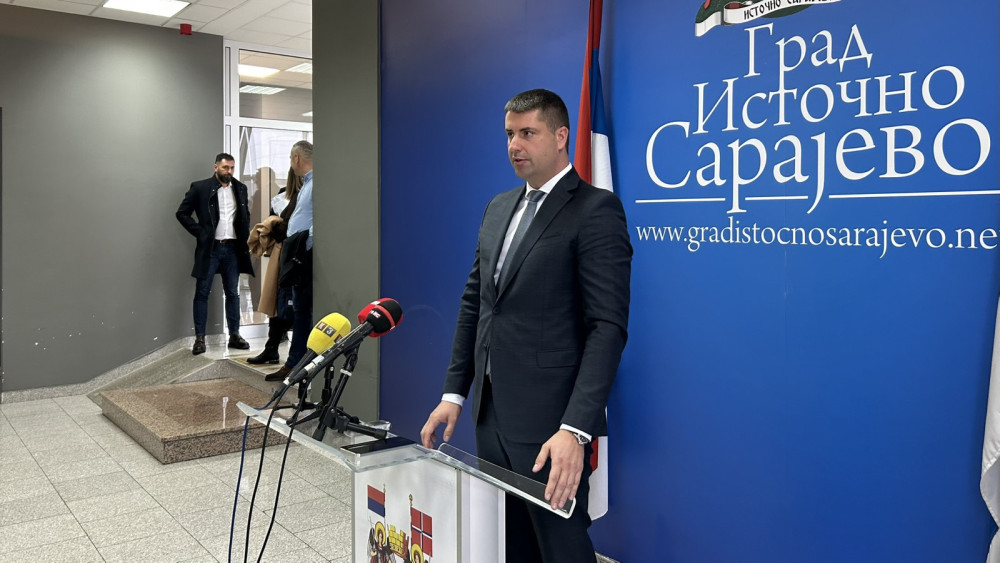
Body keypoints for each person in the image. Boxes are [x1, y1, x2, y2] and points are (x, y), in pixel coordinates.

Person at [420, 89, 632, 562]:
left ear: (560, 136)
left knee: (561, 548)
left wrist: (575, 430)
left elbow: (607, 328)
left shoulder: (595, 210)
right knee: (509, 543)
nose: (515, 145)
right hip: (491, 415)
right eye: (509, 134)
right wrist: (454, 393)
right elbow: (476, 305)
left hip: (551, 425)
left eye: (528, 133)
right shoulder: (498, 208)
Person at [176, 153, 255, 355]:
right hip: (210, 249)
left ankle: (235, 335)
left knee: (233, 293)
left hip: (232, 248)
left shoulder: (240, 188)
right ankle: (200, 339)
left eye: (232, 168)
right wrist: (201, 233)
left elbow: (244, 217)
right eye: (225, 167)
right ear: (216, 167)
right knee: (202, 292)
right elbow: (182, 213)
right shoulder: (200, 188)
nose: (229, 171)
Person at [266, 140, 314, 382]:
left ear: (296, 158)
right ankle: (295, 363)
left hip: (305, 256)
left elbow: (321, 218)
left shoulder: (315, 184)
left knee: (304, 310)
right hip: (299, 256)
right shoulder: (307, 184)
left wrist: (305, 243)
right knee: (300, 310)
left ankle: (299, 364)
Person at [246, 167, 303, 366]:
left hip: (300, 256)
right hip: (283, 256)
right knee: (279, 300)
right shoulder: (283, 194)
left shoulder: (309, 194)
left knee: (296, 303)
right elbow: (279, 228)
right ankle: (272, 348)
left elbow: (293, 227)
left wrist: (280, 226)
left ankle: (292, 353)